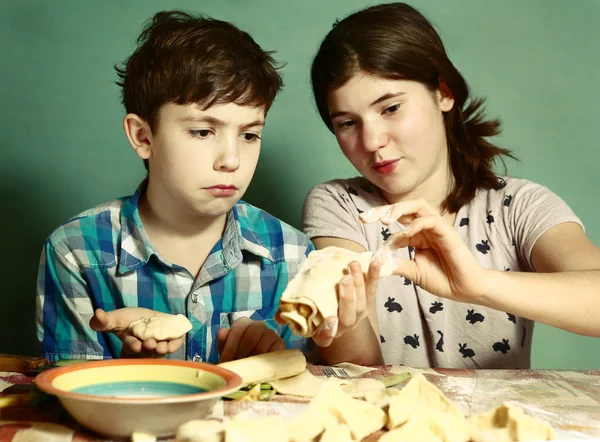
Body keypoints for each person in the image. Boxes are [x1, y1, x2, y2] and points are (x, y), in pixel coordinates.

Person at [299, 2, 600, 368]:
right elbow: (360, 368)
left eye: (391, 108)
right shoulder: (340, 205)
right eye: (347, 123)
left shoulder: (517, 205)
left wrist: (477, 285)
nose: (373, 140)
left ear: (443, 91)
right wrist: (339, 321)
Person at [36, 10, 312, 364]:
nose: (231, 160)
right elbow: (70, 399)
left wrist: (271, 363)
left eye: (249, 135)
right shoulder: (76, 252)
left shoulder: (292, 255)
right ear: (143, 136)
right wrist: (138, 370)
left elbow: (298, 399)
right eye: (202, 131)